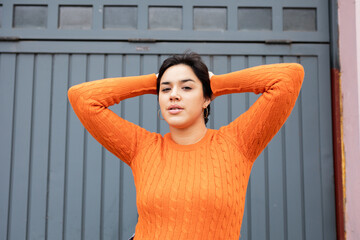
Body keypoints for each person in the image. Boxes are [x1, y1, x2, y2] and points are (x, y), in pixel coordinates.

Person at [68, 52, 304, 240]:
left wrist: (217, 83)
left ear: (206, 98)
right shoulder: (142, 148)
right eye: (166, 89)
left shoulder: (236, 144)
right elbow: (82, 97)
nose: (174, 95)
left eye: (187, 87)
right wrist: (153, 81)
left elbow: (289, 77)